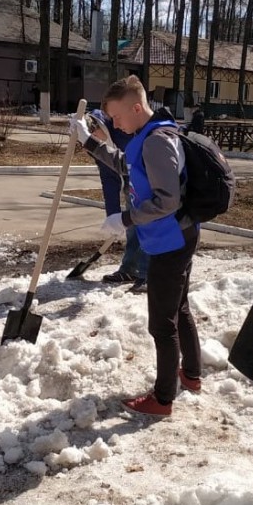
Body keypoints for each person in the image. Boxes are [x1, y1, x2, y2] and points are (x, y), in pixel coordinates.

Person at [70, 75, 203, 418]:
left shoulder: (157, 142)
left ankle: (163, 399)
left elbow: (167, 200)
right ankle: (191, 375)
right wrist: (89, 142)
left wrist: (126, 219)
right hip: (175, 236)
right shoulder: (145, 136)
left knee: (162, 323)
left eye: (116, 117)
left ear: (136, 108)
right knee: (179, 308)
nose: (114, 125)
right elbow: (124, 164)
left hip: (170, 241)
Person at [87, 109, 148, 291]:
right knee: (132, 228)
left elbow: (139, 160)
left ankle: (148, 274)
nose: (93, 138)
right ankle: (130, 269)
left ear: (99, 126)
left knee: (147, 227)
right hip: (132, 183)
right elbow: (109, 179)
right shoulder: (97, 146)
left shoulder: (123, 131)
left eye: (93, 133)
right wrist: (113, 216)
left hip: (149, 182)